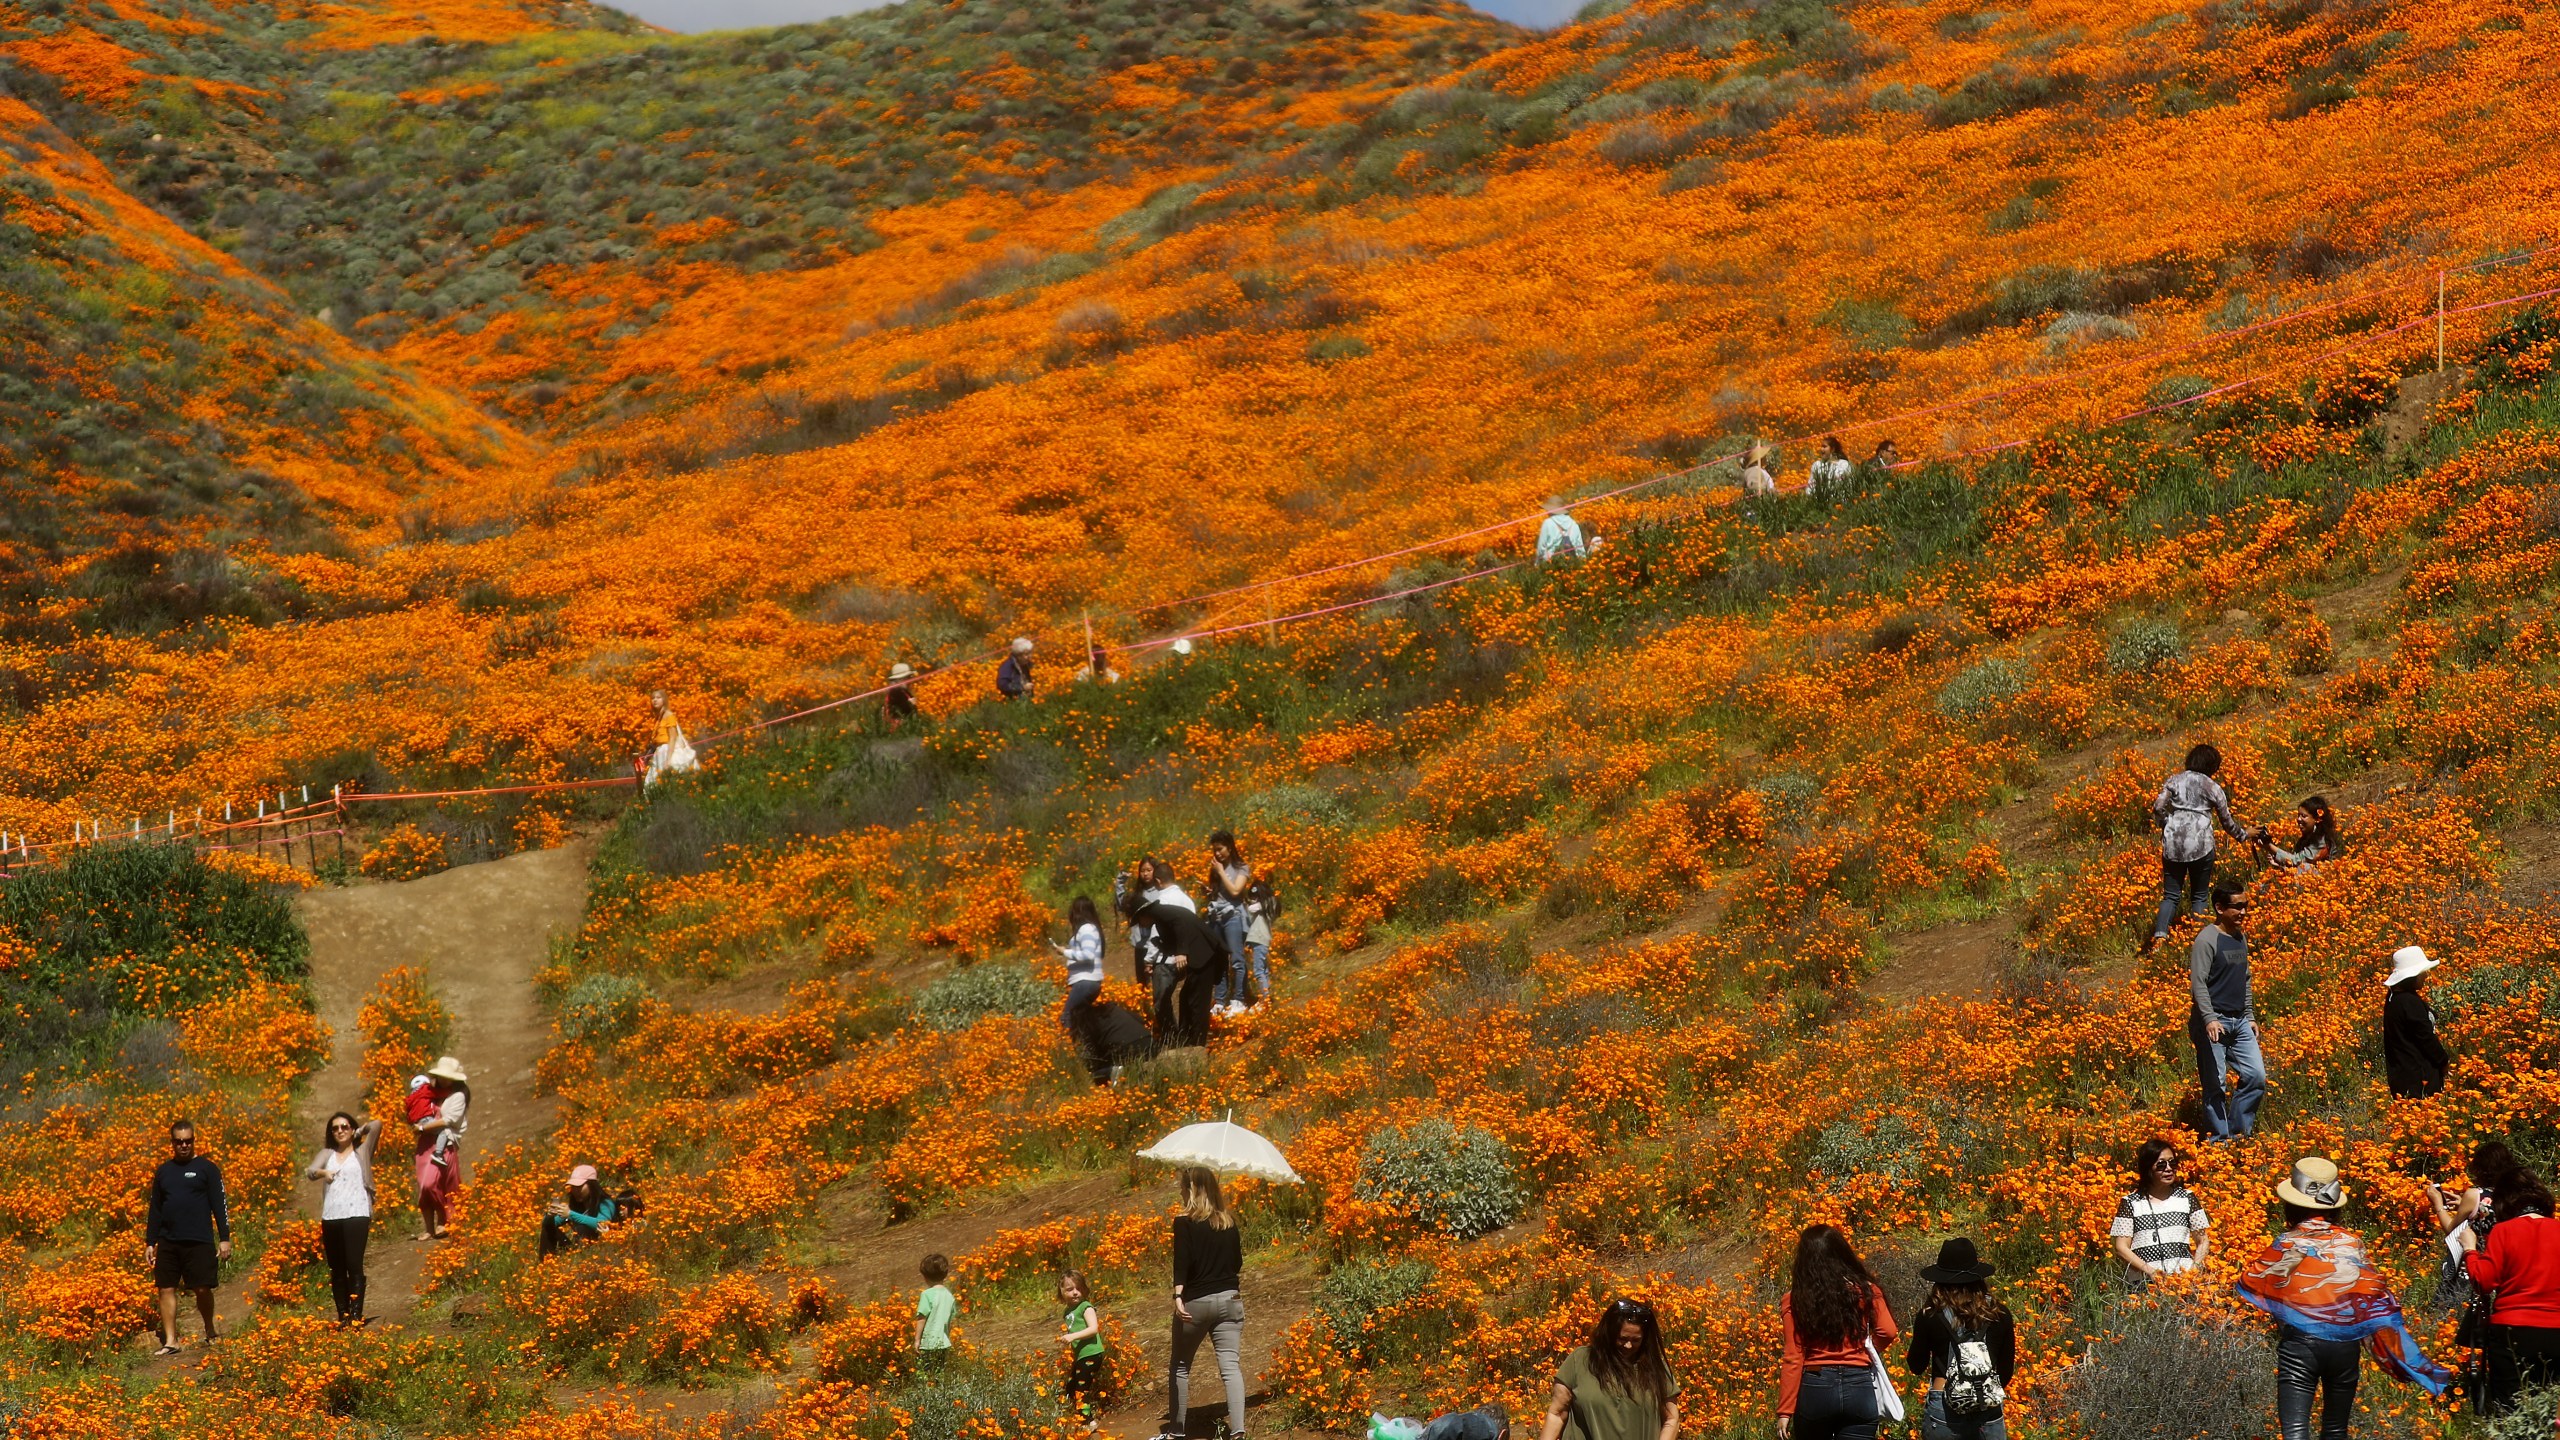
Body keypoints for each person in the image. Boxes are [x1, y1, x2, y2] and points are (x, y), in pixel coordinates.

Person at [2238, 1157, 2452, 1440]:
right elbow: (2371, 1290)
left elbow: (2249, 1282)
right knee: (2336, 1431)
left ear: (2290, 1204)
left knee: (2295, 1432)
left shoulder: (2286, 1242)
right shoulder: (2352, 1243)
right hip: (2345, 1348)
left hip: (2300, 1345)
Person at [2458, 1153, 2560, 1412]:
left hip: (2513, 1331)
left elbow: (2484, 1281)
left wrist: (2470, 1250)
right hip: (2557, 1330)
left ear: (2504, 1202)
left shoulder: (2503, 1231)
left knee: (2509, 1410)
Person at [2430, 1139, 2526, 1406]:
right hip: (2503, 1273)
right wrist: (2463, 1202)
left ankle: (2460, 1381)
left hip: (2473, 1269)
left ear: (2481, 1167)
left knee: (2460, 1327)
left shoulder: (2475, 1193)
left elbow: (2451, 1228)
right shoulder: (2514, 1195)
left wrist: (2438, 1203)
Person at [1779, 1223, 1896, 1440]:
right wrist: (1866, 1350)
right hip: (1860, 1385)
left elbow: (1793, 1356)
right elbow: (1888, 1331)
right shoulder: (1868, 1290)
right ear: (1842, 1253)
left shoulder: (1795, 1299)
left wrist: (1785, 1411)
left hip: (1816, 1385)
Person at [1164, 1167, 1246, 1440]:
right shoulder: (1228, 1222)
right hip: (1230, 1300)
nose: (1179, 1191)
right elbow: (1237, 1264)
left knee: (1181, 1366)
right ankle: (1238, 1431)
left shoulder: (1183, 1223)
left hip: (1196, 1303)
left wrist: (1178, 1295)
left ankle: (1177, 1431)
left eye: (1182, 1187)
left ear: (1191, 1190)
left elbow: (1182, 1263)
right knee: (1230, 1367)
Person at [1904, 1239, 2014, 1440]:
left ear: (1940, 1279)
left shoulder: (1930, 1315)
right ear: (1979, 1278)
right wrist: (1978, 1390)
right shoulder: (2000, 1314)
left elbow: (1916, 1366)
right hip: (1987, 1406)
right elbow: (2006, 1371)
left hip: (1944, 1408)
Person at [2145, 744, 2250, 954]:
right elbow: (2227, 822)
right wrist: (2243, 835)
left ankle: (2159, 940)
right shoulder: (2212, 787)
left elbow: (2158, 807)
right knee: (2199, 896)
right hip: (2201, 844)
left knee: (2171, 895)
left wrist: (2166, 824)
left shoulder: (2175, 780)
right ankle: (2197, 941)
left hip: (2173, 843)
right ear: (2212, 766)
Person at [146, 1118, 231, 1357]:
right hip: (168, 1240)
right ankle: (171, 1340)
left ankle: (210, 1329)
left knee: (202, 1288)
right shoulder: (164, 1172)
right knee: (165, 1288)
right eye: (179, 1141)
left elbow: (219, 1204)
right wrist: (150, 1242)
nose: (184, 1145)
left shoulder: (207, 1169)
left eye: (188, 1141)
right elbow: (156, 1209)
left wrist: (225, 1237)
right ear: (172, 1143)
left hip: (199, 1239)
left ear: (194, 1141)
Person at [1537, 1297, 1679, 1440]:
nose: (1628, 1345)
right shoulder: (1580, 1361)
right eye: (1622, 1338)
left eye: (1636, 1340)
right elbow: (1557, 1414)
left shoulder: (1656, 1369)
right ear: (1609, 1333)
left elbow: (1671, 1419)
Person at [2186, 886, 2266, 1141]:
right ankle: (2218, 1141)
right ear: (2220, 909)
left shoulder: (2239, 937)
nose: (2243, 912)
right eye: (2237, 906)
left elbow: (2245, 978)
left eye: (2245, 905)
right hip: (2214, 1021)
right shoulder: (2206, 940)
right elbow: (2198, 983)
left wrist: (2250, 1014)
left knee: (2255, 1075)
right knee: (2215, 1085)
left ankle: (2239, 1134)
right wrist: (2209, 1019)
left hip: (2239, 1020)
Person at [304, 1111, 380, 1325]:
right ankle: (343, 1315)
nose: (340, 1131)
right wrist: (323, 1173)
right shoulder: (327, 1153)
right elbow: (310, 1171)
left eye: (344, 1126)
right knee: (336, 1268)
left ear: (351, 1128)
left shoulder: (362, 1151)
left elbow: (376, 1125)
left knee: (354, 1264)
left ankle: (356, 1315)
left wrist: (359, 1131)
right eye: (335, 1128)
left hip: (357, 1213)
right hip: (331, 1215)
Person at [2110, 1138, 2212, 1284]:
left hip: (2182, 1282)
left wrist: (2194, 1271)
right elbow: (2121, 1247)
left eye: (2172, 1163)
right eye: (2161, 1165)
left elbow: (2202, 1240)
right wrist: (2151, 1271)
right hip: (2144, 1283)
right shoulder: (2130, 1203)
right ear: (2147, 1168)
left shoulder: (2188, 1198)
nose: (2169, 1168)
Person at [1134, 883, 1223, 1047]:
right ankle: (1188, 1040)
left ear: (1143, 914)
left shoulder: (1162, 912)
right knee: (1186, 998)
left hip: (1205, 954)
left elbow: (1179, 923)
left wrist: (1182, 952)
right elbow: (1174, 938)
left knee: (1197, 1002)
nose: (1140, 925)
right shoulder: (1160, 920)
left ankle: (1197, 1044)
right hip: (1201, 956)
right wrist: (1163, 946)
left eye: (1138, 920)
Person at [1205, 831, 1269, 1016]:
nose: (1217, 854)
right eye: (1214, 850)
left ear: (1230, 847)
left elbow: (1235, 891)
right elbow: (1220, 893)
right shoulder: (1216, 869)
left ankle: (1239, 999)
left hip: (1234, 916)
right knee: (1219, 961)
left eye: (1220, 849)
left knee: (1237, 960)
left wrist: (1220, 872)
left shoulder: (1241, 867)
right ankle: (1219, 1000)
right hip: (1216, 916)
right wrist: (1209, 891)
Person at [2382, 946, 2449, 1099]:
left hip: (2403, 1078)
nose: (2426, 975)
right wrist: (2443, 1061)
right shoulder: (2408, 1002)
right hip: (2419, 1082)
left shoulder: (2394, 998)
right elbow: (2425, 1038)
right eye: (2422, 972)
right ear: (2411, 976)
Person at [414, 1055, 470, 1239]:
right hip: (425, 1143)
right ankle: (429, 1228)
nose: (444, 1080)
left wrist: (423, 1127)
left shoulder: (458, 1096)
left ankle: (445, 1220)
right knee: (425, 1185)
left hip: (445, 1142)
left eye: (448, 1077)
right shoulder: (429, 1092)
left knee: (442, 1183)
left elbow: (448, 1121)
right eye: (443, 1076)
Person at [1054, 896, 1106, 1049]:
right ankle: (1088, 1049)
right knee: (1082, 1020)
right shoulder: (1091, 928)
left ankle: (1068, 1050)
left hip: (1085, 982)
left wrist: (1065, 952)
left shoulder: (1086, 929)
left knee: (1067, 1017)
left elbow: (1088, 955)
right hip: (1087, 982)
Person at [1059, 1269, 1107, 1432]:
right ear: (1062, 1292)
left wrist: (1073, 1337)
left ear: (1084, 1289)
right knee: (1071, 1387)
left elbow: (1094, 1329)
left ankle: (1089, 1422)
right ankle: (1080, 1416)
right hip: (1082, 1355)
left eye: (1078, 1288)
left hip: (1092, 1353)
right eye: (1070, 1289)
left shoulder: (1086, 1307)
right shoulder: (1067, 1312)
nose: (1075, 1293)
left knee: (1081, 1388)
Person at [540, 1164, 620, 1257]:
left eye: (580, 1186)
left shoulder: (605, 1203)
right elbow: (550, 1224)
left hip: (600, 1252)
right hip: (578, 1250)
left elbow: (603, 1223)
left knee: (583, 1227)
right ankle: (546, 1263)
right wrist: (550, 1217)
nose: (576, 1190)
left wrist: (571, 1214)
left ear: (592, 1185)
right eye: (573, 1187)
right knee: (547, 1229)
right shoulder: (576, 1205)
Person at [2261, 795, 2342, 870]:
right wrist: (2279, 865)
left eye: (2303, 816)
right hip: (2308, 879)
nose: (2298, 819)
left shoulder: (2321, 841)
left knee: (2304, 867)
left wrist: (2269, 846)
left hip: (2322, 881)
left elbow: (2297, 861)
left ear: (2317, 819)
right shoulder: (2306, 838)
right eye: (2298, 815)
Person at [645, 690, 697, 786]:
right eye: (653, 698)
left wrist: (668, 760)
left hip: (667, 751)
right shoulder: (659, 717)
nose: (655, 700)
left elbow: (672, 738)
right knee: (653, 782)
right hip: (659, 752)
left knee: (662, 781)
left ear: (664, 700)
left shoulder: (669, 716)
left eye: (658, 697)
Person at [916, 1252, 957, 1370]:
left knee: (926, 1374)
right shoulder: (949, 1296)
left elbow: (921, 1318)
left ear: (925, 1276)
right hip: (943, 1343)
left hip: (929, 1343)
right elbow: (949, 1321)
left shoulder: (927, 1295)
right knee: (939, 1373)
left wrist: (917, 1340)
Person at [1537, 498, 1590, 564]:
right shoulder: (1574, 524)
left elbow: (1541, 548)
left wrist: (1537, 564)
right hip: (1571, 564)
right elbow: (1580, 548)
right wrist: (1583, 565)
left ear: (1550, 510)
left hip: (1550, 564)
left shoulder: (1547, 523)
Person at [883, 663, 919, 728]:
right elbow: (899, 709)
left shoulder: (903, 691)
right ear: (900, 680)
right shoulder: (895, 692)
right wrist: (911, 703)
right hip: (898, 728)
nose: (910, 680)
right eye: (908, 678)